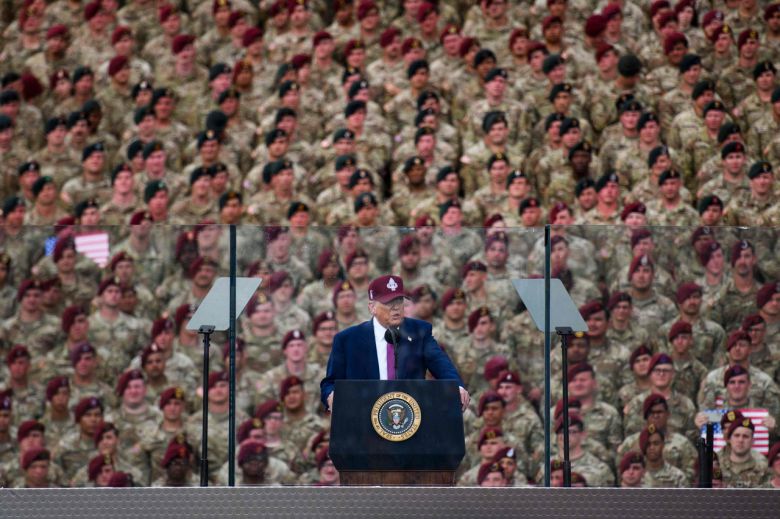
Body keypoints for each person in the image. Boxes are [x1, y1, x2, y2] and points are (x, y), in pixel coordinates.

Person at [321, 274, 468, 411]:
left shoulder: (419, 332)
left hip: (409, 419)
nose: (396, 307)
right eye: (388, 302)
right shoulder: (348, 340)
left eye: (399, 301)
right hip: (364, 419)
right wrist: (331, 395)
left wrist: (457, 386)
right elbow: (330, 383)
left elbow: (442, 365)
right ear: (372, 307)